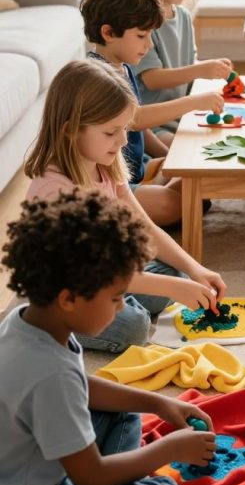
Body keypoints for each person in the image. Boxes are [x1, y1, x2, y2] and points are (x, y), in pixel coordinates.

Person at [0, 189, 216, 485]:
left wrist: (159, 404)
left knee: (123, 409)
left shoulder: (27, 322)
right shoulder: (48, 372)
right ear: (68, 298)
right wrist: (167, 448)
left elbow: (83, 387)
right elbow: (91, 478)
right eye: (116, 298)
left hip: (39, 470)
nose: (121, 309)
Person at [24, 59, 226, 352]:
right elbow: (90, 275)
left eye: (125, 129)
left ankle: (124, 298)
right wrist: (169, 289)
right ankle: (65, 324)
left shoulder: (103, 164)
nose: (122, 141)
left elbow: (144, 226)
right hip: (64, 295)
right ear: (70, 130)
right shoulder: (55, 192)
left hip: (105, 275)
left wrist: (195, 269)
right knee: (136, 326)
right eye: (111, 132)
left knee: (176, 273)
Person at [80, 0, 224, 226]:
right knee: (175, 203)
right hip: (110, 183)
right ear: (108, 32)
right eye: (141, 36)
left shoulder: (124, 68)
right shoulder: (97, 76)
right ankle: (124, 220)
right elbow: (135, 119)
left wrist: (171, 156)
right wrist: (194, 102)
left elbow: (141, 130)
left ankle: (169, 205)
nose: (148, 46)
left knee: (198, 177)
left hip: (139, 169)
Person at [134, 0, 232, 144]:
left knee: (225, 138)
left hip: (184, 115)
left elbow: (188, 65)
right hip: (153, 125)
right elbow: (152, 78)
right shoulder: (141, 21)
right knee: (194, 149)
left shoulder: (184, 17)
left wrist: (210, 69)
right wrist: (201, 70)